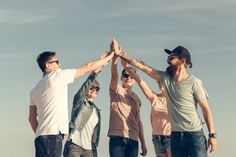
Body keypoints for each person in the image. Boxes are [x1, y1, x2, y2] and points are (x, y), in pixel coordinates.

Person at [112, 39, 217, 157]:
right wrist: (121, 55)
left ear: (182, 61)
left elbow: (206, 110)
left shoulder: (194, 83)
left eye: (172, 58)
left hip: (194, 135)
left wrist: (212, 135)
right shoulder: (165, 78)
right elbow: (144, 67)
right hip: (176, 136)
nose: (168, 60)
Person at [28, 50, 114, 157]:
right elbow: (88, 67)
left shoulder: (35, 90)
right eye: (57, 62)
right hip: (53, 136)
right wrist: (107, 58)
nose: (60, 65)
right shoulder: (57, 76)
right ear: (48, 66)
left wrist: (41, 133)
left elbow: (31, 118)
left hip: (40, 138)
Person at [121, 55, 171, 157]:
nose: (160, 83)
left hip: (171, 137)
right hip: (157, 138)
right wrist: (127, 68)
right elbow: (140, 82)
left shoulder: (173, 100)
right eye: (158, 81)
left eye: (162, 81)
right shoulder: (154, 98)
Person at [108, 41, 147, 157]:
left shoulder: (137, 99)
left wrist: (143, 142)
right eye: (126, 75)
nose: (128, 78)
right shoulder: (115, 90)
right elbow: (114, 75)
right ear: (122, 78)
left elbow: (138, 121)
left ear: (135, 79)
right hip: (117, 137)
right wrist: (115, 58)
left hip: (133, 139)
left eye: (131, 76)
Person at [63, 67, 101, 157]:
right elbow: (84, 88)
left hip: (89, 149)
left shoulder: (97, 111)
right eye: (91, 87)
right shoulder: (79, 102)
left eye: (97, 89)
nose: (94, 90)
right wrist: (95, 72)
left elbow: (95, 134)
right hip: (74, 146)